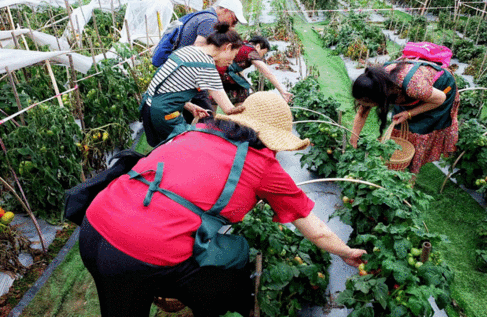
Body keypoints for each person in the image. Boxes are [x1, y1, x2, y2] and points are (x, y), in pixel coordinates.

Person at [80, 91, 367, 317]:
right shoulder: (263, 166)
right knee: (231, 266)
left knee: (119, 301)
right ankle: (214, 305)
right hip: (142, 250)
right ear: (273, 139)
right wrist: (345, 252)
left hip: (94, 224)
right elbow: (314, 228)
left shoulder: (195, 131)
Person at [140, 22, 244, 147]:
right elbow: (230, 110)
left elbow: (168, 86)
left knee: (162, 151)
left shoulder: (189, 50)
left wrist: (189, 105)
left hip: (149, 107)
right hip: (164, 114)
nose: (231, 61)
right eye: (234, 55)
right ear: (227, 47)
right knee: (181, 150)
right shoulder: (206, 66)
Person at [350, 60, 460, 174]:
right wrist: (354, 139)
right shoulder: (377, 84)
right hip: (409, 93)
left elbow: (440, 99)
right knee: (399, 127)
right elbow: (362, 113)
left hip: (439, 93)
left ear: (379, 98)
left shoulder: (414, 87)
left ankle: (410, 173)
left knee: (420, 133)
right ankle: (397, 166)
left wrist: (409, 113)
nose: (362, 105)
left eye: (366, 103)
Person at [154, 0, 248, 123]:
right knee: (206, 119)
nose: (233, 25)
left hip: (170, 91)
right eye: (234, 20)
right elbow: (199, 49)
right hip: (179, 90)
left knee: (197, 117)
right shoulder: (210, 21)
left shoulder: (204, 15)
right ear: (226, 11)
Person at [212, 36, 293, 112]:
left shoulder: (242, 45)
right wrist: (282, 91)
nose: (261, 57)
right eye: (263, 53)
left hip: (216, 71)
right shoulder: (251, 51)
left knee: (212, 99)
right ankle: (237, 118)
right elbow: (268, 73)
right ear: (258, 46)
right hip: (222, 73)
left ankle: (212, 120)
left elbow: (237, 67)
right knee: (242, 91)